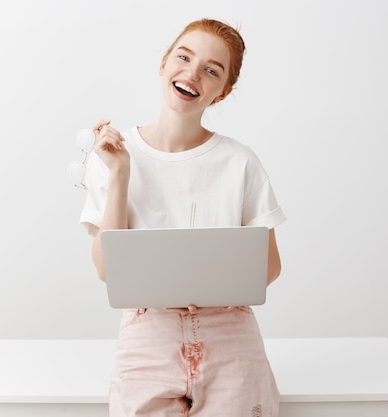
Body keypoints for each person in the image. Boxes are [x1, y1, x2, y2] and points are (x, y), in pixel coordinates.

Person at [80, 18, 286, 417]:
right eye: (184, 57)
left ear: (222, 93)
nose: (192, 74)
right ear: (164, 63)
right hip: (147, 334)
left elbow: (270, 267)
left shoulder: (240, 162)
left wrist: (212, 285)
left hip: (230, 333)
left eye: (212, 70)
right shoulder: (111, 153)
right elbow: (107, 270)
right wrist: (121, 171)